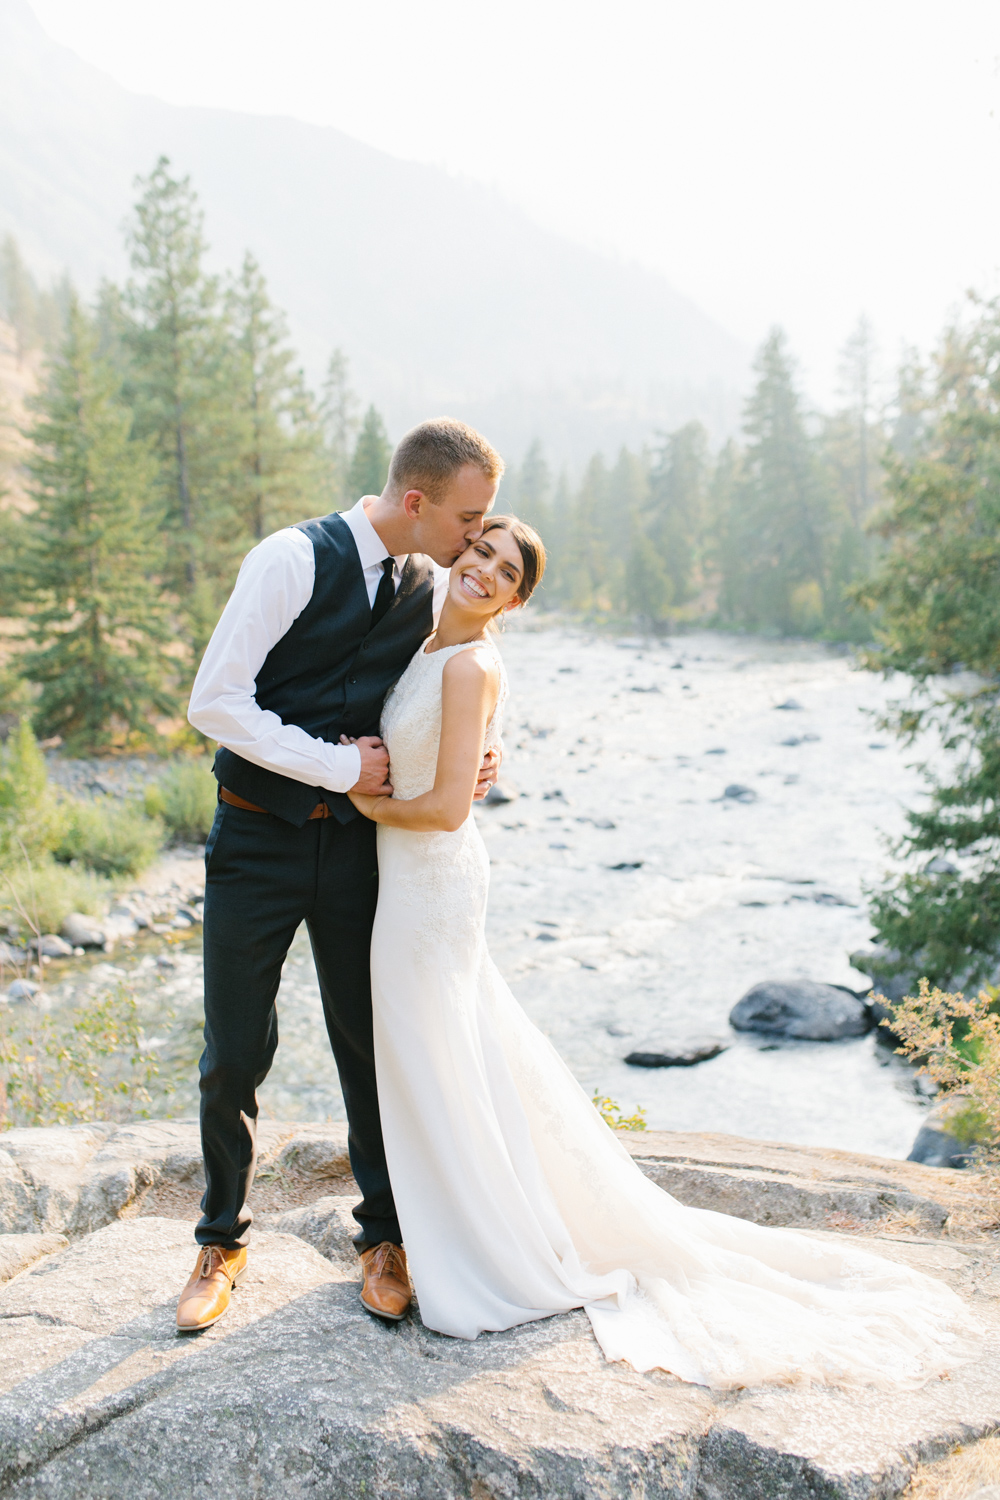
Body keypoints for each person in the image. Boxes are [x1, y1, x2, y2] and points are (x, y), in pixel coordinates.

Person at [347, 512, 980, 1388]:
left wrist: (366, 801)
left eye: (505, 570)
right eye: (481, 550)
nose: (484, 570)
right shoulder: (425, 642)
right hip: (412, 884)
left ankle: (487, 1251)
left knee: (440, 1049)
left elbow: (451, 806)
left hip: (431, 881)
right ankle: (453, 1225)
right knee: (450, 1052)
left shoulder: (470, 663)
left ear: (518, 600)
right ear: (458, 552)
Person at [175, 417, 505, 1332]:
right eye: (468, 518)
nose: (476, 538)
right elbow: (215, 702)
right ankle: (220, 1240)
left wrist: (476, 756)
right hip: (256, 843)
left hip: (367, 851)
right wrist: (337, 766)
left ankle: (386, 1237)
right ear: (415, 501)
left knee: (373, 1045)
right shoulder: (288, 559)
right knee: (234, 1051)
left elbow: (452, 679)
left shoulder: (427, 585)